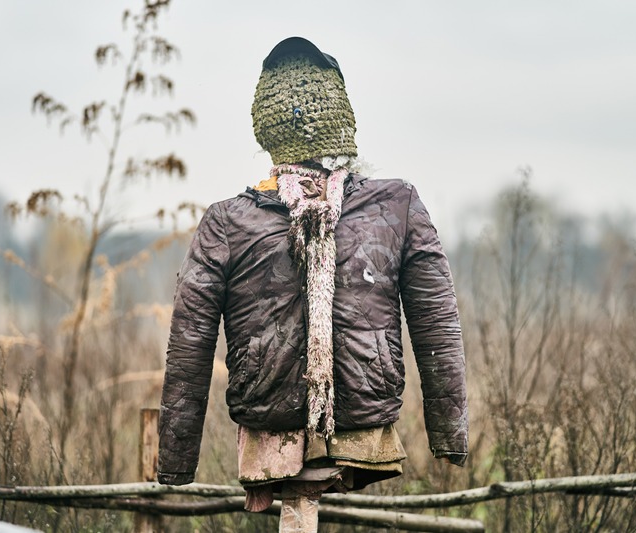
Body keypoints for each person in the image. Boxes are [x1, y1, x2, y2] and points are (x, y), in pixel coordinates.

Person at [158, 36, 468, 519]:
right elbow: (438, 324)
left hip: (311, 421)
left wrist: (176, 464)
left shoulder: (229, 221)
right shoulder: (396, 206)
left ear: (264, 126)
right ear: (342, 117)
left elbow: (188, 348)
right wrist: (449, 436)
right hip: (328, 419)